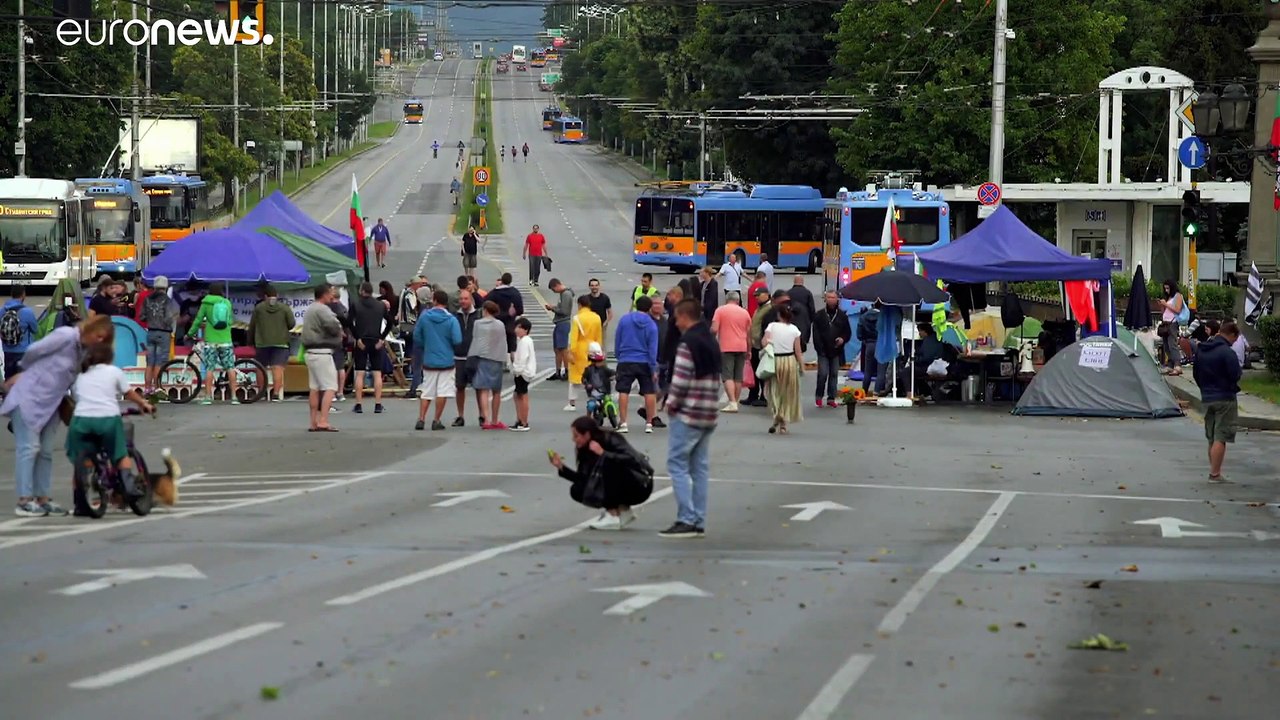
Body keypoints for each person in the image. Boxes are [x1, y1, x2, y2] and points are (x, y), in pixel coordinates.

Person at [3, 315, 114, 516]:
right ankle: (24, 500)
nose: (99, 341)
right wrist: (25, 372)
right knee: (28, 449)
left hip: (52, 404)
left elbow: (75, 381)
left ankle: (42, 498)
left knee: (45, 451)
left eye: (103, 340)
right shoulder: (66, 336)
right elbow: (33, 351)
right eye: (98, 336)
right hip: (30, 397)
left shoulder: (83, 353)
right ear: (90, 329)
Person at [659, 299, 721, 539]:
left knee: (677, 463)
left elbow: (682, 378)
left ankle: (686, 517)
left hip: (688, 412)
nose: (675, 321)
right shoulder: (709, 341)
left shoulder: (687, 343)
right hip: (708, 411)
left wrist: (671, 403)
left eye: (677, 316)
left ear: (685, 316)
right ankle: (699, 519)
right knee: (699, 467)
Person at [64, 343, 155, 498]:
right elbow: (128, 393)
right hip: (107, 419)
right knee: (120, 454)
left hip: (80, 420)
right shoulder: (114, 372)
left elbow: (76, 398)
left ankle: (79, 500)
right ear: (109, 357)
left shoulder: (81, 376)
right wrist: (144, 404)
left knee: (81, 464)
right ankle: (129, 489)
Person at [549, 416, 653, 531]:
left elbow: (634, 460)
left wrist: (603, 453)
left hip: (640, 484)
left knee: (608, 463)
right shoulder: (584, 449)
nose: (573, 439)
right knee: (577, 489)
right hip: (622, 486)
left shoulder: (610, 439)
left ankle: (612, 514)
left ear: (587, 434)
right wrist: (561, 467)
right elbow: (585, 479)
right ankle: (624, 511)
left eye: (576, 436)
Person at [1194, 321, 1242, 483]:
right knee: (1221, 437)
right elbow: (1235, 374)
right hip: (1225, 397)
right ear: (1232, 335)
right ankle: (1215, 474)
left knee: (1211, 437)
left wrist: (1204, 389)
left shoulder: (1202, 350)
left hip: (1207, 397)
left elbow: (1196, 374)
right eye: (1235, 339)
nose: (1234, 343)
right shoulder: (1227, 352)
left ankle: (1214, 469)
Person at [414, 289, 463, 431]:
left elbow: (417, 337)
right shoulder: (452, 320)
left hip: (429, 359)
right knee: (442, 391)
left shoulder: (424, 317)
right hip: (446, 360)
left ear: (434, 300)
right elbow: (457, 339)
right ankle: (436, 420)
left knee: (427, 390)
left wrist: (427, 345)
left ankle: (421, 419)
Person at [613, 295, 659, 433]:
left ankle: (623, 422)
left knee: (623, 390)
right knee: (649, 391)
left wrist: (618, 355)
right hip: (644, 361)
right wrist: (653, 367)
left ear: (635, 305)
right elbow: (653, 348)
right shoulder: (651, 324)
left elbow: (617, 338)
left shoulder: (625, 320)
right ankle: (649, 423)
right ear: (650, 308)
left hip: (626, 358)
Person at [186, 285, 238, 405]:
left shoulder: (206, 303)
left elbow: (198, 320)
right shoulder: (227, 303)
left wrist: (189, 334)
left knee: (210, 368)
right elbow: (230, 321)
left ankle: (208, 397)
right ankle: (234, 397)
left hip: (210, 341)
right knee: (230, 367)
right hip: (226, 340)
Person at [302, 284, 343, 432]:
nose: (332, 296)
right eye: (330, 293)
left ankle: (313, 421)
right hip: (322, 351)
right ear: (324, 294)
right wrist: (339, 333)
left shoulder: (310, 309)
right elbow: (333, 325)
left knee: (315, 388)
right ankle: (324, 420)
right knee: (331, 387)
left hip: (310, 352)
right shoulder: (322, 309)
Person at [247, 284, 294, 403]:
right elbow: (292, 324)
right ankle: (276, 394)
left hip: (262, 342)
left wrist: (250, 341)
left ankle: (261, 393)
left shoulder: (259, 308)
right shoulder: (284, 308)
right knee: (277, 367)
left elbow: (252, 326)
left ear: (265, 296)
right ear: (276, 295)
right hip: (281, 342)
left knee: (260, 367)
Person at [350, 281, 391, 414]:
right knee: (377, 372)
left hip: (362, 340)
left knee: (360, 372)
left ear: (362, 291)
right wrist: (382, 338)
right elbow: (390, 322)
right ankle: (378, 404)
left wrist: (357, 337)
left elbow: (349, 322)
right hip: (376, 340)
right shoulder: (380, 305)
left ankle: (358, 404)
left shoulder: (356, 304)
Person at [763, 304, 803, 434]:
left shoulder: (771, 326)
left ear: (779, 315)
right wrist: (802, 366)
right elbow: (798, 351)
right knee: (787, 391)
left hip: (775, 360)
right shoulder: (794, 329)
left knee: (774, 390)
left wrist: (771, 343)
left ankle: (777, 416)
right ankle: (783, 422)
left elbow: (764, 342)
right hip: (789, 361)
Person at [469, 300, 509, 430]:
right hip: (496, 358)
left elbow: (475, 339)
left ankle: (485, 419)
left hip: (482, 357)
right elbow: (503, 342)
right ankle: (495, 419)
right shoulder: (500, 325)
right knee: (496, 390)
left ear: (485, 310)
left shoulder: (478, 324)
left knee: (483, 390)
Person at [711, 291, 751, 412]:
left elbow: (714, 329)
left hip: (726, 346)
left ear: (726, 299)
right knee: (738, 376)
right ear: (738, 300)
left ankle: (732, 402)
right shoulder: (745, 313)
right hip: (742, 346)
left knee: (727, 375)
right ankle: (735, 401)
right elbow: (749, 333)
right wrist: (749, 349)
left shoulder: (720, 311)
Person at [140, 276, 179, 397]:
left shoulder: (147, 299)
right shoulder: (167, 300)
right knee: (159, 362)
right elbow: (169, 317)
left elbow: (142, 316)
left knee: (150, 362)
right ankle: (157, 388)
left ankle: (147, 389)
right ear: (165, 287)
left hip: (150, 332)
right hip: (163, 333)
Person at [812, 290, 852, 408]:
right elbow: (815, 334)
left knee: (834, 374)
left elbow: (847, 332)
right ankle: (819, 396)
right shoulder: (819, 315)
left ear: (837, 299)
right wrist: (819, 348)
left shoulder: (842, 316)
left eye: (833, 297)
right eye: (829, 297)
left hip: (836, 350)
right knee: (823, 373)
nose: (831, 299)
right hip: (823, 350)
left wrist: (842, 339)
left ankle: (831, 397)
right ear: (825, 299)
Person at [451, 288, 484, 427]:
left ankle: (482, 415)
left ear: (471, 300)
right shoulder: (454, 317)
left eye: (466, 299)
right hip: (458, 357)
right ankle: (460, 416)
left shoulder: (478, 316)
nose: (463, 301)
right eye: (461, 299)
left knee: (479, 387)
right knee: (460, 387)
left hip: (474, 356)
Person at [566, 293, 603, 412]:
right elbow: (599, 336)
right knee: (593, 375)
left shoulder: (577, 318)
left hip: (580, 349)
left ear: (580, 305)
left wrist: (571, 352)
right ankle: (594, 398)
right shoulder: (596, 317)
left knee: (575, 377)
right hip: (592, 348)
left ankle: (572, 403)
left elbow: (574, 337)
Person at [2, 284, 40, 379]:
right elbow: (35, 330)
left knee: (9, 379)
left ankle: (9, 394)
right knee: (23, 380)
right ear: (23, 295)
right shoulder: (27, 312)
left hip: (7, 351)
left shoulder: (2, 311)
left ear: (11, 294)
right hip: (23, 351)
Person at [545, 278, 574, 380]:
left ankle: (567, 370)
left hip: (563, 323)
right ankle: (557, 371)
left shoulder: (566, 294)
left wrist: (552, 308)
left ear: (556, 285)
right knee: (557, 349)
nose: (554, 292)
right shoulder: (563, 294)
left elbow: (565, 311)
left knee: (563, 349)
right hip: (559, 323)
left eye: (553, 289)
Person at [511, 317, 536, 431]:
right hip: (523, 371)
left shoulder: (525, 341)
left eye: (519, 327)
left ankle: (524, 422)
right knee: (517, 395)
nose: (517, 329)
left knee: (522, 396)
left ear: (525, 330)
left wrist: (517, 370)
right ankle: (520, 419)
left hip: (522, 372)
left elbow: (522, 358)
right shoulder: (523, 340)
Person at [1156, 279, 1185, 375]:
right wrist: (1162, 306)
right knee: (1166, 345)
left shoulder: (1178, 296)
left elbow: (1177, 309)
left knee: (1172, 344)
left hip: (1173, 323)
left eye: (1168, 288)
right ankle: (1170, 365)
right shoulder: (1168, 298)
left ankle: (1177, 365)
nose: (1166, 290)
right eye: (1165, 288)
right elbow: (1164, 312)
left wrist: (1166, 304)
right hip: (1165, 322)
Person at [582, 341, 615, 421]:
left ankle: (613, 414)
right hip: (593, 393)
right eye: (599, 361)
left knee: (609, 401)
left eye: (601, 361)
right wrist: (587, 384)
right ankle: (588, 419)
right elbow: (583, 379)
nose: (601, 363)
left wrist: (614, 376)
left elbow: (612, 373)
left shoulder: (604, 369)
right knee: (591, 405)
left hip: (604, 392)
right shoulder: (588, 370)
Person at [787, 275, 816, 352]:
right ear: (802, 282)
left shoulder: (788, 293)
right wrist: (810, 321)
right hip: (804, 323)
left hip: (791, 322)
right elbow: (812, 309)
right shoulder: (808, 293)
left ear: (794, 282)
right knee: (802, 346)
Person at [585, 278, 613, 344]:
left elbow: (610, 313)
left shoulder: (605, 298)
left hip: (602, 326)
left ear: (599, 286)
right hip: (589, 327)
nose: (594, 287)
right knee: (590, 345)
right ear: (589, 287)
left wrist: (605, 323)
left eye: (596, 285)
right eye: (592, 285)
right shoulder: (586, 299)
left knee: (601, 345)